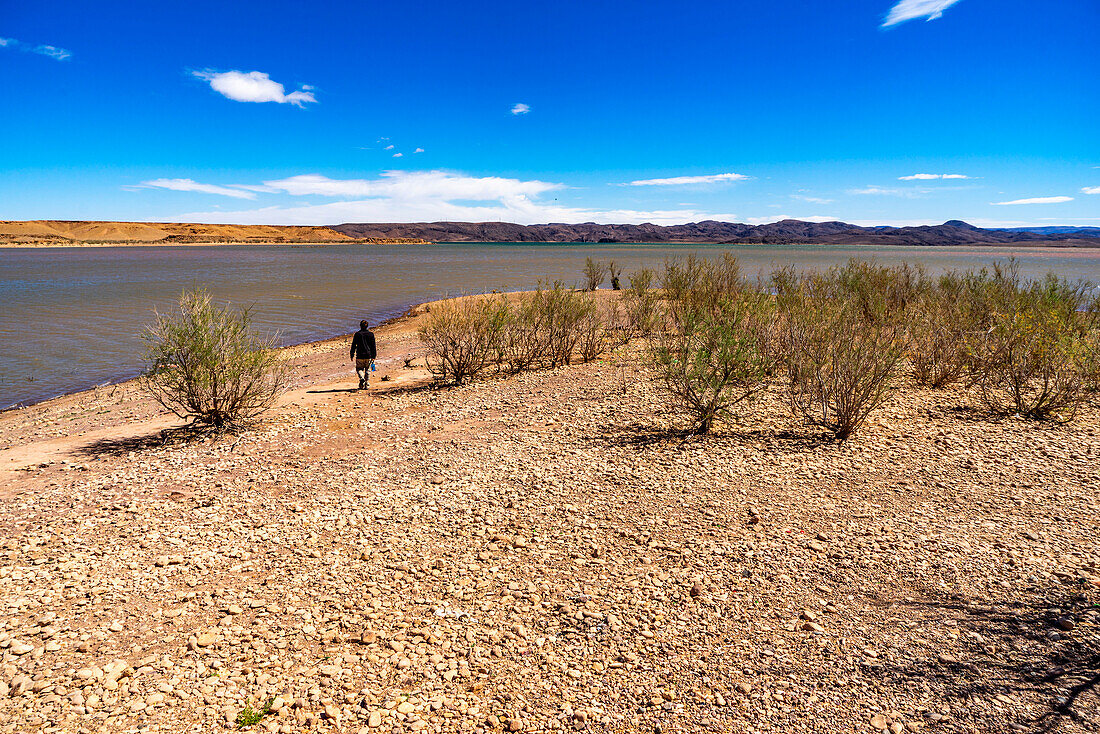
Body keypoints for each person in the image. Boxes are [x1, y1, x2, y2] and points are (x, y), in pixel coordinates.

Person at [350, 320, 377, 390]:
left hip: (359, 355)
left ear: (360, 326)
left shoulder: (357, 334)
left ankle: (361, 378)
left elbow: (353, 345)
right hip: (369, 355)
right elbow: (373, 346)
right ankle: (367, 384)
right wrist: (374, 356)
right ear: (367, 326)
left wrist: (352, 354)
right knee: (368, 369)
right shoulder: (371, 334)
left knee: (359, 369)